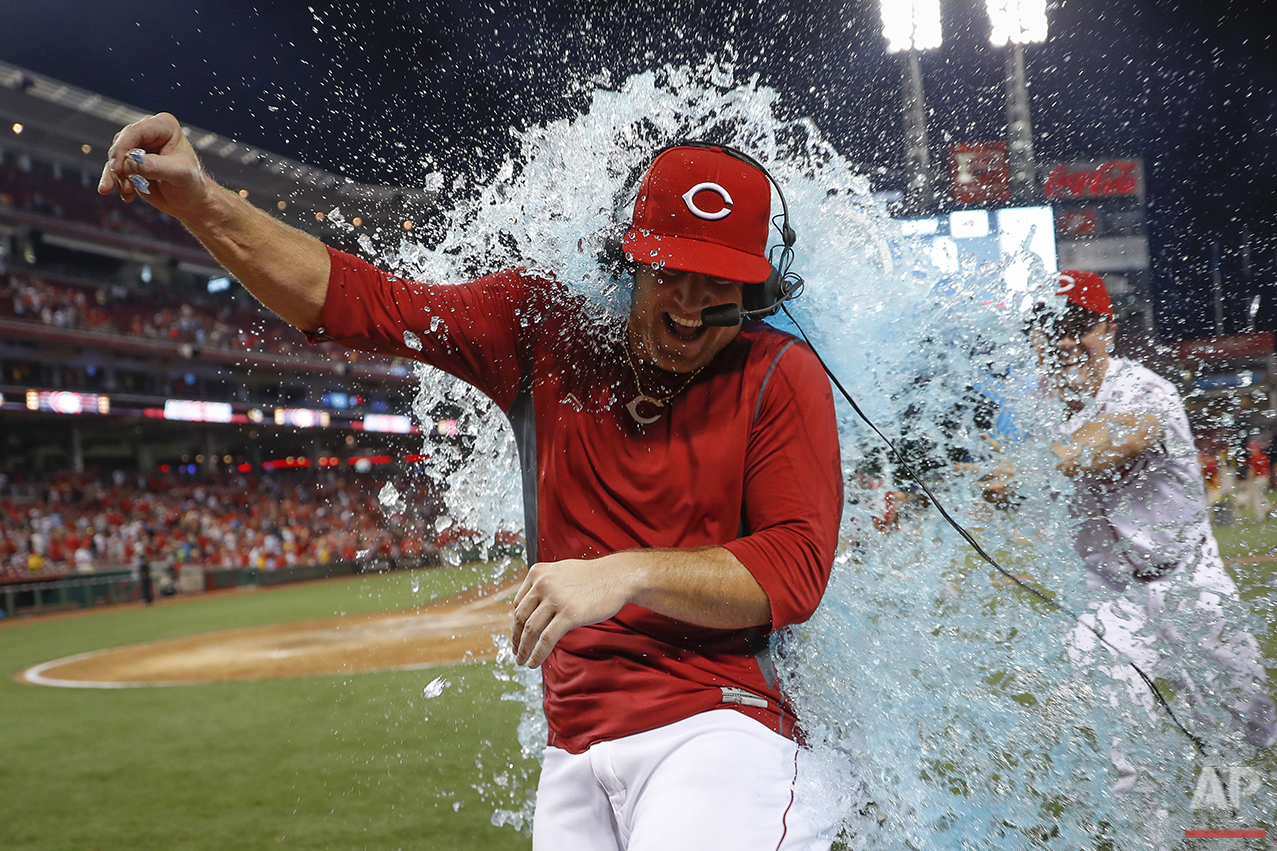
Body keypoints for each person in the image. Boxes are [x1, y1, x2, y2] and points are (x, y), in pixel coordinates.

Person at [99, 114, 842, 849]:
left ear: (757, 291)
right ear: (626, 261)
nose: (686, 304)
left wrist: (622, 575)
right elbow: (364, 303)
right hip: (573, 751)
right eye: (668, 272)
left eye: (714, 282)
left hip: (720, 725)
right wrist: (202, 202)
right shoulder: (540, 326)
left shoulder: (780, 371)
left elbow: (794, 568)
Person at [1026, 270, 1276, 763]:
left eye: (1083, 326)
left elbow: (1114, 441)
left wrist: (1027, 465)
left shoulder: (1147, 391)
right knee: (1112, 736)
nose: (1070, 340)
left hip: (1187, 578)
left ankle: (1236, 825)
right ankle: (1147, 833)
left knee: (1248, 725)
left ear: (1110, 330)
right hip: (1106, 595)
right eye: (1057, 328)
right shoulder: (1039, 406)